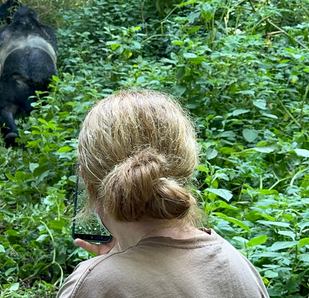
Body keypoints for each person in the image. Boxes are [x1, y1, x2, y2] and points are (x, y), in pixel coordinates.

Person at [57, 90, 269, 298]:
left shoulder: (93, 285)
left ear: (88, 181)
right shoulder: (238, 265)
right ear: (188, 168)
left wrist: (109, 267)